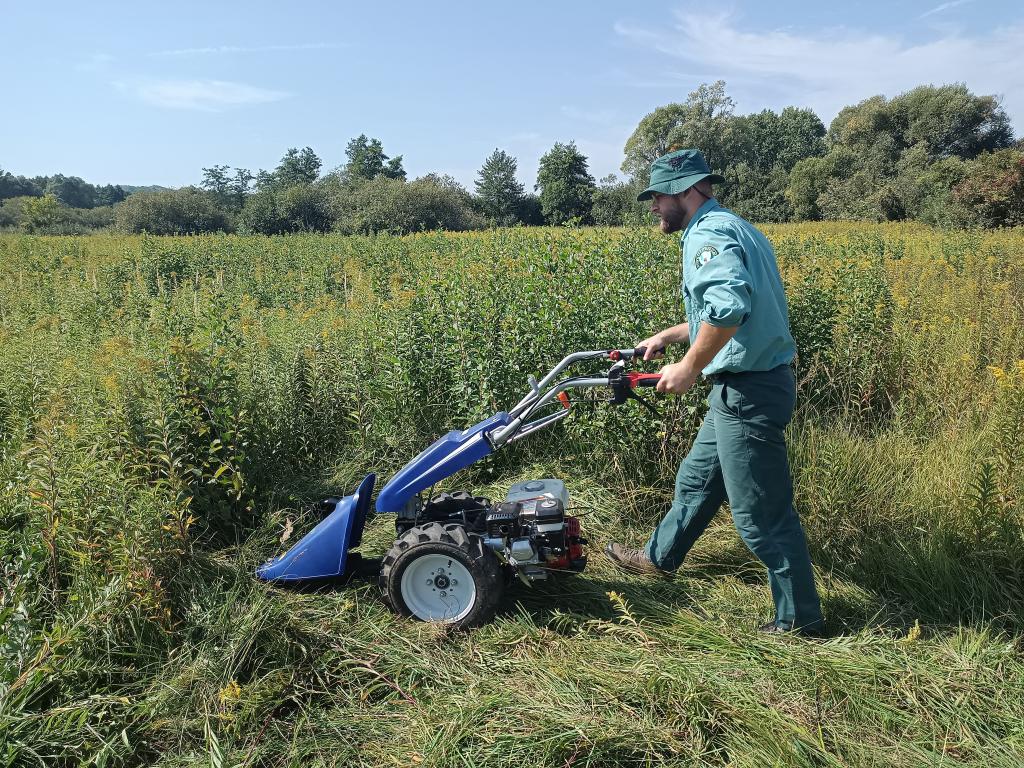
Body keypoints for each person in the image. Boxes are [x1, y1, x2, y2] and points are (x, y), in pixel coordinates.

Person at [604, 148, 825, 637]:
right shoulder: (734, 225)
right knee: (699, 479)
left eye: (658, 197)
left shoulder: (707, 233)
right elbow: (727, 308)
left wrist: (687, 366)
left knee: (761, 515)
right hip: (742, 389)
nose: (654, 207)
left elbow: (728, 309)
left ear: (687, 190)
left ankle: (799, 620)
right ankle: (659, 559)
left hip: (748, 392)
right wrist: (667, 337)